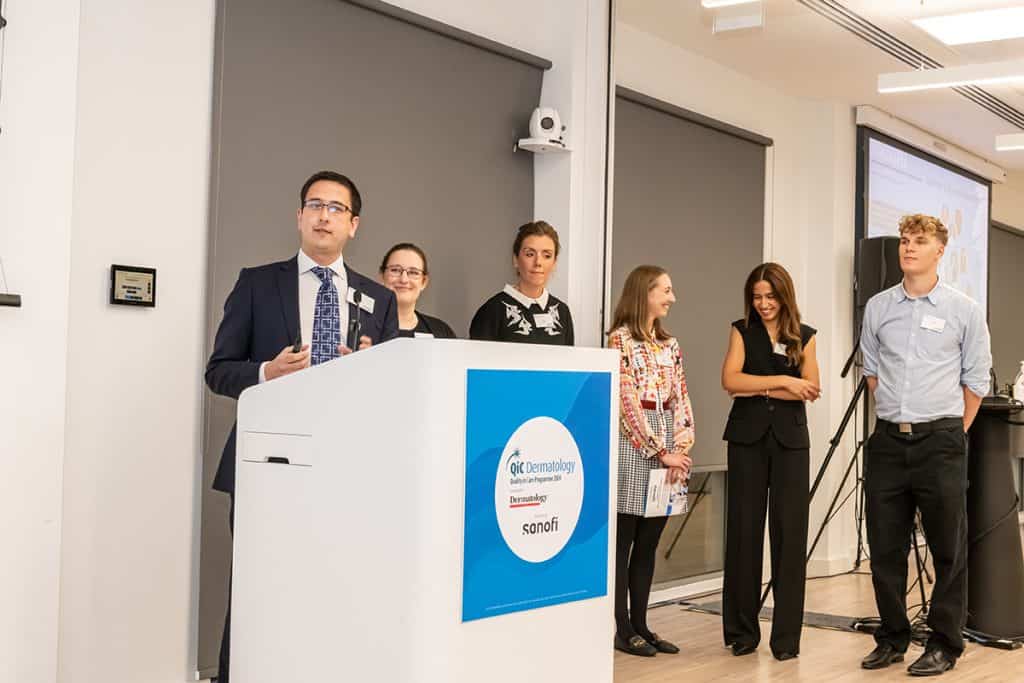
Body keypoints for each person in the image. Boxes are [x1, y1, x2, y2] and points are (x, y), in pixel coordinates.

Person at [204, 170, 399, 682]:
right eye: (315, 205)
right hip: (267, 468)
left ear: (353, 225)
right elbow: (218, 371)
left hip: (345, 469)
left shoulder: (378, 299)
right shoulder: (256, 283)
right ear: (299, 216)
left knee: (335, 587)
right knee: (256, 589)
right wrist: (267, 372)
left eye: (336, 208)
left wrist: (367, 370)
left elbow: (393, 392)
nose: (323, 216)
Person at [859, 214, 991, 677]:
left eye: (919, 241)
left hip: (942, 441)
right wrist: (900, 417)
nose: (908, 247)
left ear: (940, 251)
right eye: (904, 240)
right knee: (884, 545)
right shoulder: (878, 307)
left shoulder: (964, 310)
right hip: (888, 442)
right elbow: (872, 372)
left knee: (948, 547)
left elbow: (976, 381)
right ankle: (893, 637)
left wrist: (953, 431)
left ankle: (944, 644)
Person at [720, 262, 820, 661]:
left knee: (790, 538)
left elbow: (810, 389)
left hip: (791, 444)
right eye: (757, 297)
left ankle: (786, 640)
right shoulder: (741, 330)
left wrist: (757, 387)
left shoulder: (805, 336)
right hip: (746, 440)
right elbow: (730, 381)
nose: (763, 304)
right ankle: (741, 633)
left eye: (770, 297)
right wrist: (782, 381)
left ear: (784, 296)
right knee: (743, 534)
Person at [608, 265, 695, 657]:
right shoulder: (619, 340)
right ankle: (622, 627)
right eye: (666, 290)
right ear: (645, 292)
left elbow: (681, 397)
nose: (672, 298)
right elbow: (626, 403)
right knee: (624, 540)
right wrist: (659, 450)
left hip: (668, 443)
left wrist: (681, 448)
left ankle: (643, 624)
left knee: (649, 542)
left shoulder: (670, 344)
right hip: (634, 443)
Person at [469, 220, 574, 345]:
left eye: (547, 256)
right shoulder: (492, 310)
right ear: (515, 260)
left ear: (554, 263)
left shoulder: (562, 312)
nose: (538, 262)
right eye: (530, 254)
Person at [378, 242, 456, 338]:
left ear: (424, 282)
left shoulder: (441, 332)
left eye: (413, 272)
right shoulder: (363, 327)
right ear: (382, 277)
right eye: (395, 270)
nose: (404, 279)